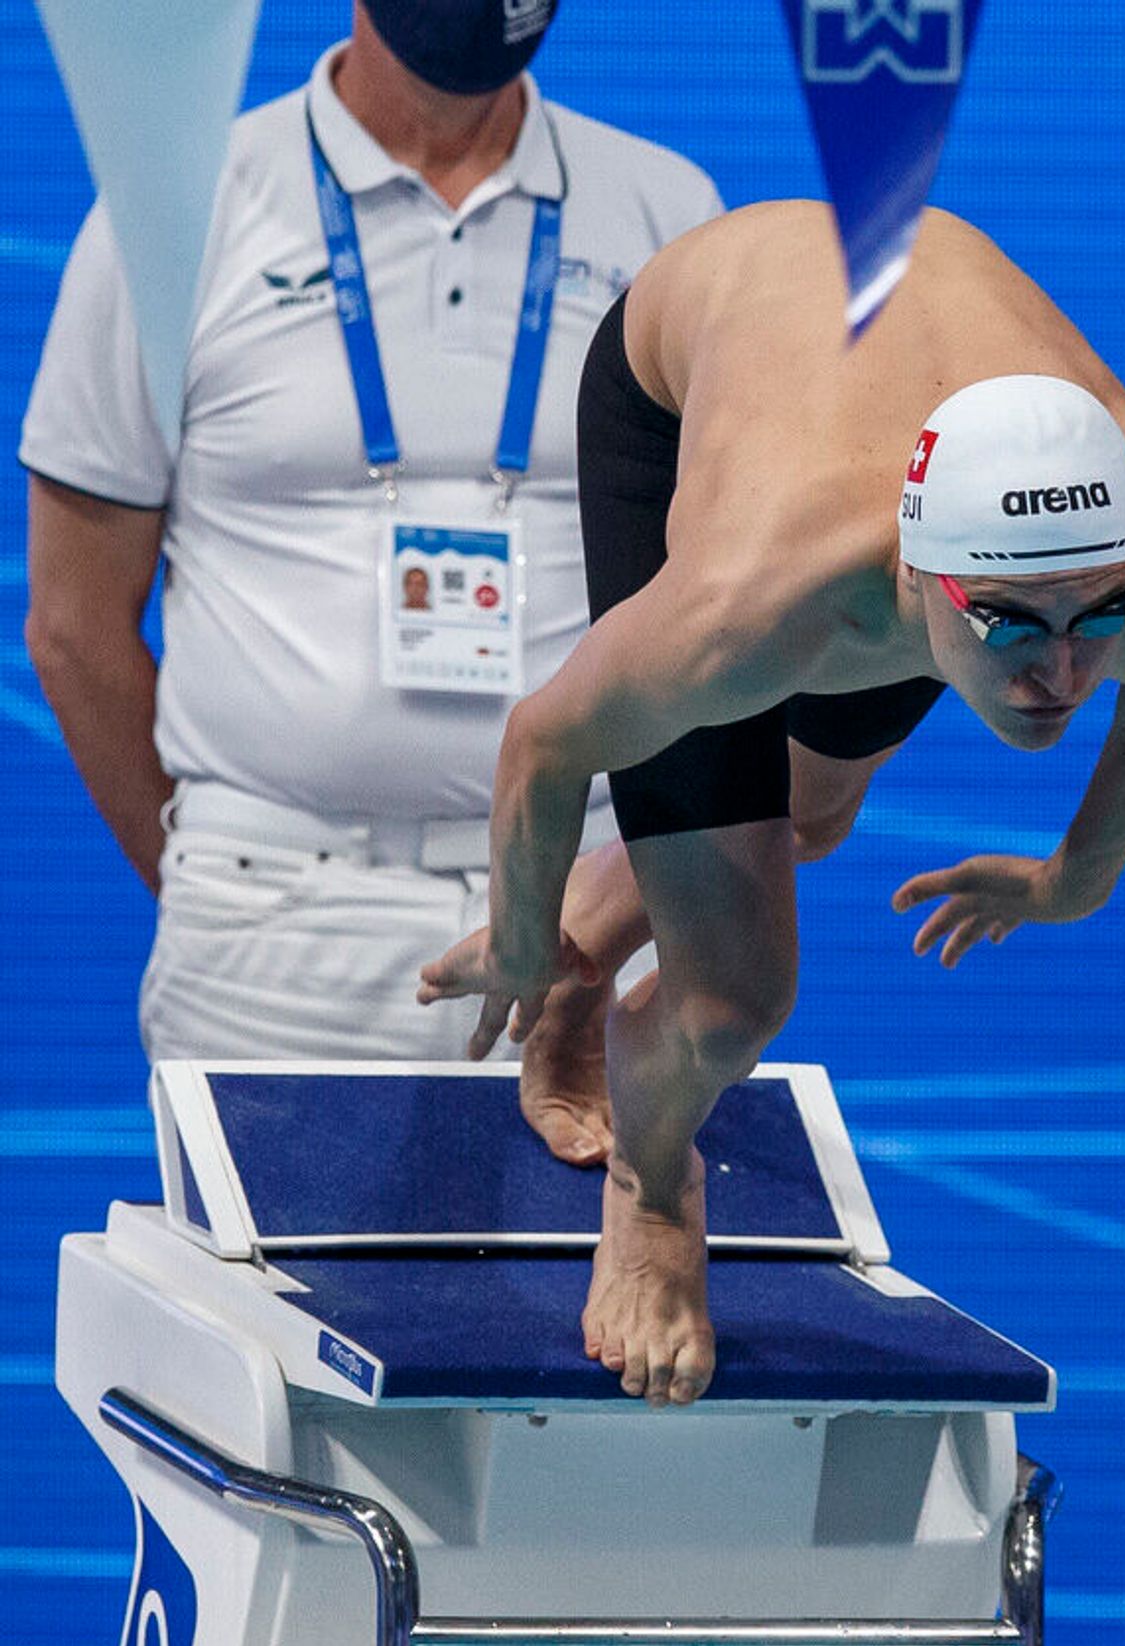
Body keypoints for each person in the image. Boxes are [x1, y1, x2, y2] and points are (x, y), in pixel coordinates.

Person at [420, 199, 1125, 1410]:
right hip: (691, 372)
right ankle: (652, 1192)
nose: (1058, 675)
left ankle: (594, 951)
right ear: (913, 576)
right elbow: (545, 740)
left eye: (1097, 619)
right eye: (1009, 626)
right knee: (734, 998)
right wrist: (515, 933)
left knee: (803, 820)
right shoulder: (751, 601)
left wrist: (1075, 873)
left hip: (899, 383)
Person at [20, 0, 720, 1103]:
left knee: (616, 1224)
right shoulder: (177, 207)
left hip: (590, 913)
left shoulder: (667, 209)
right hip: (271, 924)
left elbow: (724, 596)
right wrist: (218, 882)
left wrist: (628, 887)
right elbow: (73, 622)